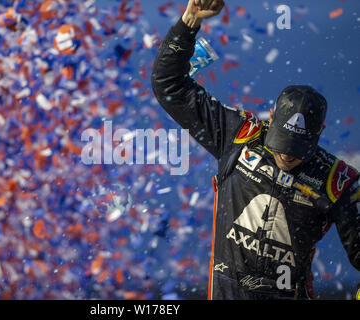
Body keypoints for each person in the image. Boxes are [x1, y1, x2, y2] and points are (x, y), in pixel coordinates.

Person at [151, 0, 359, 299]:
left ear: (319, 134)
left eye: (298, 148)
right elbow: (169, 85)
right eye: (282, 143)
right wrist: (190, 21)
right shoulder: (239, 134)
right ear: (271, 119)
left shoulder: (338, 180)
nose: (287, 155)